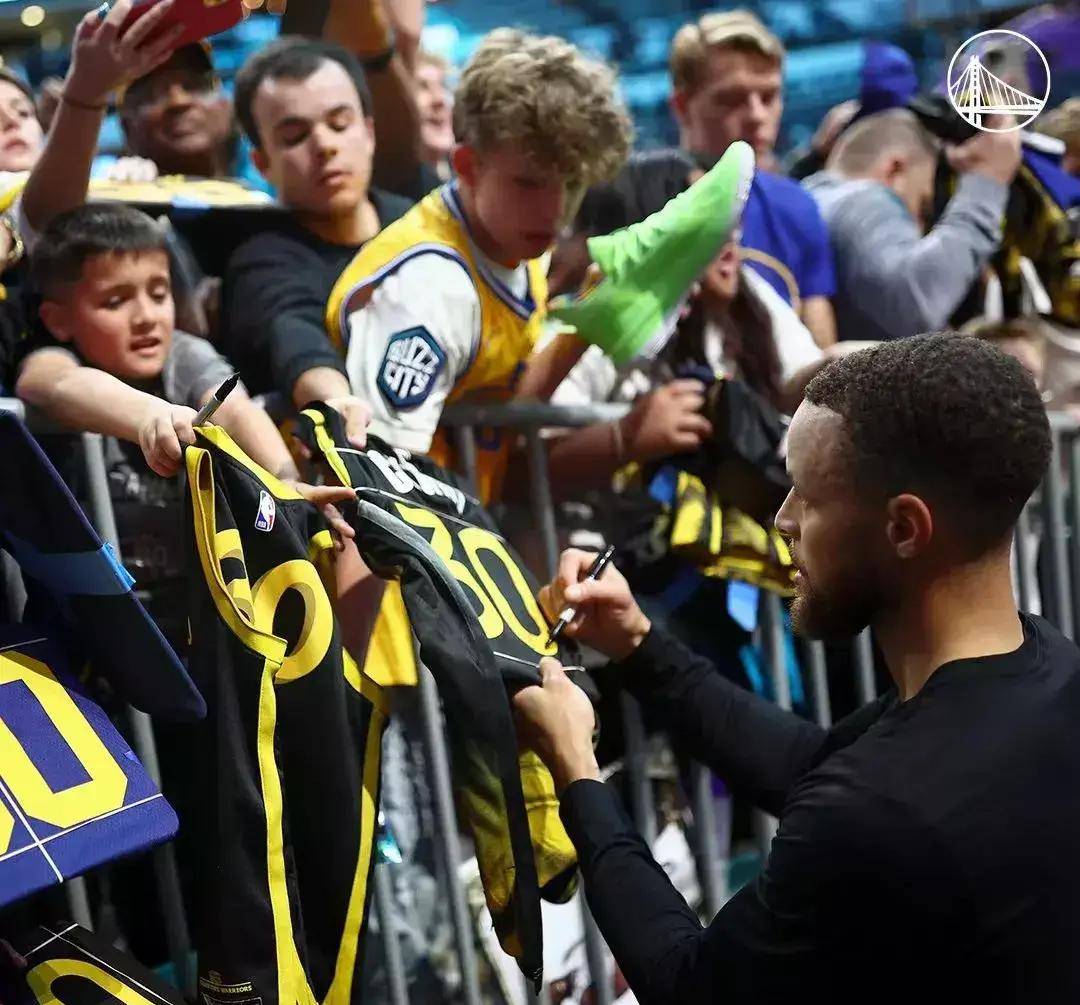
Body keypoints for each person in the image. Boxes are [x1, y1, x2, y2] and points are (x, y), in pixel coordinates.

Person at [512, 333, 1080, 1002]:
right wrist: (640, 643)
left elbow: (688, 985)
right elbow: (809, 762)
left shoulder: (878, 807)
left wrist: (576, 767)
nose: (781, 520)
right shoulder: (1049, 666)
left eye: (806, 496)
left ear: (904, 528)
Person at [324, 26, 633, 501]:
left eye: (570, 183)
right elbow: (376, 492)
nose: (555, 210)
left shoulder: (519, 242)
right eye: (529, 184)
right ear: (467, 166)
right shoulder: (429, 287)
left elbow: (504, 397)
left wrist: (587, 327)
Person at [16, 203, 300, 480]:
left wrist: (287, 484)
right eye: (115, 302)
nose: (146, 317)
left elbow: (236, 412)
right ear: (57, 321)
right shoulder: (56, 356)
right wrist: (153, 415)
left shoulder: (182, 352)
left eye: (159, 294)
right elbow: (52, 381)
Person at [221, 37, 409, 443]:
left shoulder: (419, 224)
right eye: (294, 136)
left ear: (369, 131)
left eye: (339, 124)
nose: (325, 145)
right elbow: (290, 329)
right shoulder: (260, 259)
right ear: (262, 162)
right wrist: (335, 399)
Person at [669, 9, 837, 347]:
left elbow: (823, 361)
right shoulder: (641, 206)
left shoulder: (795, 207)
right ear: (682, 107)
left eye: (769, 96)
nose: (757, 115)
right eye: (731, 99)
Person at [805, 108, 1022, 342]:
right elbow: (912, 304)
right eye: (921, 207)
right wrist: (987, 180)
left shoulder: (809, 197)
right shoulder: (864, 200)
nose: (919, 229)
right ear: (895, 169)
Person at [0, 0, 182, 244]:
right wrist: (87, 91)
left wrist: (134, 183)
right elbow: (47, 216)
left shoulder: (109, 173)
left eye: (23, 112)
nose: (12, 121)